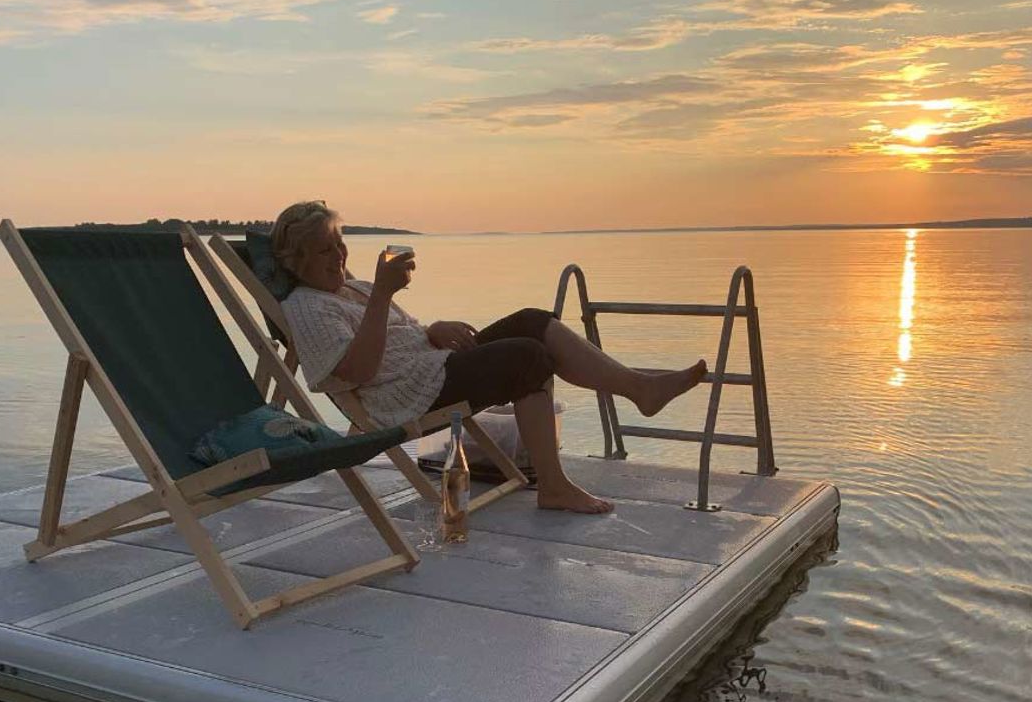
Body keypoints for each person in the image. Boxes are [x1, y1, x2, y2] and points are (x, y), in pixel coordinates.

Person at [271, 200, 707, 515]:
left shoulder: (356, 287)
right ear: (297, 260)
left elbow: (401, 336)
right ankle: (553, 486)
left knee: (533, 322)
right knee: (526, 357)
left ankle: (640, 388)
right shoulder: (307, 307)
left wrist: (430, 330)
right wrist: (385, 293)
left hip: (432, 365)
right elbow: (353, 373)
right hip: (406, 396)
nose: (340, 255)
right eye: (326, 249)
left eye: (340, 243)